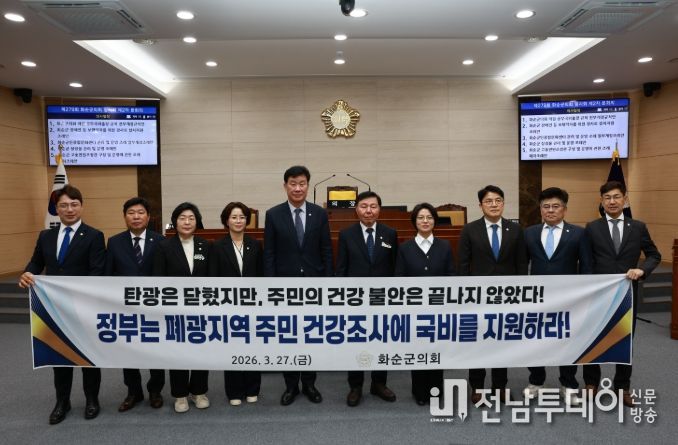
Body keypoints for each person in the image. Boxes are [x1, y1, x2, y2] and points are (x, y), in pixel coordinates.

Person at [19, 185, 106, 424]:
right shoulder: (45, 236)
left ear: (81, 206)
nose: (69, 209)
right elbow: (36, 263)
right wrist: (28, 273)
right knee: (59, 355)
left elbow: (97, 271)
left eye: (74, 204)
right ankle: (62, 401)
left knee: (88, 356)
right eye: (63, 205)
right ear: (56, 209)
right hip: (53, 307)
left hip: (84, 307)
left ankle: (92, 399)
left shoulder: (94, 235)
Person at [583, 180, 661, 407]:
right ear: (601, 201)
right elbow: (586, 262)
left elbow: (654, 255)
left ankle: (622, 387)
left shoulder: (638, 227)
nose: (612, 201)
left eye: (616, 197)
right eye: (607, 197)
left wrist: (642, 270)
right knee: (593, 337)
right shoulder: (592, 227)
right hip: (598, 295)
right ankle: (591, 383)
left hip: (627, 294)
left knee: (625, 340)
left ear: (625, 199)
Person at [264, 165, 333, 406]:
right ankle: (291, 385)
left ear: (307, 185)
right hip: (285, 288)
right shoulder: (273, 215)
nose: (297, 188)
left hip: (314, 286)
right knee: (289, 336)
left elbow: (326, 249)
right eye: (292, 184)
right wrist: (271, 288)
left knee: (311, 335)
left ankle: (310, 384)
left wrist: (328, 285)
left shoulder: (319, 214)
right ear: (285, 186)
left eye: (302, 183)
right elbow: (269, 253)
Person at [457, 185, 527, 404]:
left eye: (498, 200)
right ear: (480, 205)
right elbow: (463, 264)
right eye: (489, 201)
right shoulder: (470, 230)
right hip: (478, 298)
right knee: (478, 343)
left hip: (507, 297)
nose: (494, 205)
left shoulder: (515, 230)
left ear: (503, 203)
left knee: (501, 343)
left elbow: (521, 264)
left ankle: (499, 386)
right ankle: (477, 386)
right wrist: (465, 295)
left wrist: (520, 294)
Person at [523, 187, 592, 405]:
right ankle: (536, 380)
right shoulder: (529, 233)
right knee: (535, 340)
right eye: (546, 206)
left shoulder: (579, 233)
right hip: (537, 298)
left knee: (568, 341)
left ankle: (569, 384)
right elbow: (521, 266)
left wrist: (584, 295)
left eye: (556, 206)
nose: (550, 210)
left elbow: (587, 267)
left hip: (569, 299)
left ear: (564, 209)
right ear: (540, 209)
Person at [336, 191, 398, 407]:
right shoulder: (346, 234)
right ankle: (355, 386)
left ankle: (379, 383)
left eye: (373, 206)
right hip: (355, 300)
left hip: (383, 299)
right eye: (364, 206)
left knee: (382, 342)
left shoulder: (390, 233)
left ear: (379, 209)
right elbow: (341, 269)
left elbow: (395, 268)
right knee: (356, 342)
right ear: (356, 210)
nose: (368, 210)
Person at [105, 197, 165, 412]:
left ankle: (155, 390)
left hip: (154, 307)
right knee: (128, 351)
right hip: (125, 307)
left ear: (148, 217)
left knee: (156, 350)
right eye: (131, 213)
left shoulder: (161, 241)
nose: (136, 217)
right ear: (124, 217)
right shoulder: (114, 242)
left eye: (140, 213)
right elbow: (108, 274)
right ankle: (133, 392)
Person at [152, 202, 211, 413]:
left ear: (197, 221)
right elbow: (158, 279)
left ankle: (199, 391)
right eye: (182, 218)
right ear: (175, 222)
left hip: (201, 310)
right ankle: (180, 395)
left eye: (191, 218)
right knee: (178, 352)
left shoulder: (206, 245)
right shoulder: (164, 246)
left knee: (201, 351)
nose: (187, 222)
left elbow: (213, 278)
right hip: (174, 310)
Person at [395, 203, 455, 405]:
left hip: (439, 309)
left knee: (437, 350)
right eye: (421, 217)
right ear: (414, 222)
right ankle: (420, 392)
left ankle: (436, 390)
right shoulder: (405, 247)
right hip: (415, 310)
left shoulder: (444, 246)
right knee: (418, 350)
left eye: (429, 217)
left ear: (435, 221)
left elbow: (451, 276)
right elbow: (399, 278)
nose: (425, 221)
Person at [209, 202, 263, 406]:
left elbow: (261, 275)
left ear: (247, 220)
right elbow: (213, 277)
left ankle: (252, 388)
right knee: (232, 348)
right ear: (226, 220)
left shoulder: (255, 244)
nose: (238, 221)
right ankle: (234, 391)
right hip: (228, 306)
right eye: (234, 217)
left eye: (242, 217)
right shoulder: (217, 246)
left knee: (252, 347)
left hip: (252, 305)